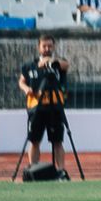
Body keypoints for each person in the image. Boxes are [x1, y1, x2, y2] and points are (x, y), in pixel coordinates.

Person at [17, 34, 69, 177]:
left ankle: (61, 171)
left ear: (54, 47)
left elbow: (66, 65)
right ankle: (34, 170)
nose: (47, 49)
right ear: (38, 47)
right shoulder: (29, 66)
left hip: (55, 107)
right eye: (44, 46)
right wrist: (26, 89)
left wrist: (51, 62)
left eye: (50, 46)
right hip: (36, 108)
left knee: (58, 141)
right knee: (34, 141)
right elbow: (21, 81)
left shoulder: (58, 64)